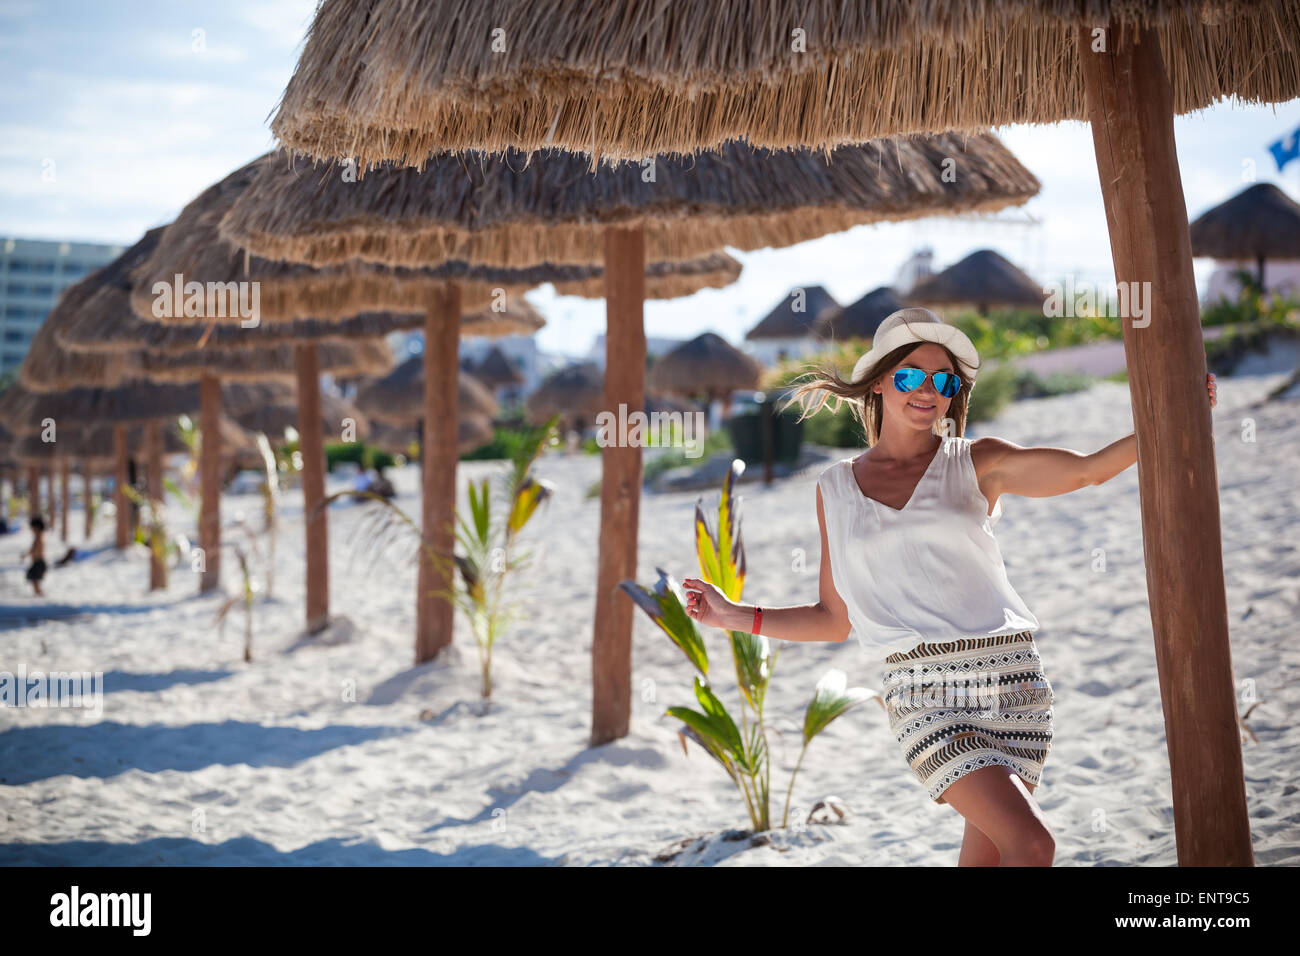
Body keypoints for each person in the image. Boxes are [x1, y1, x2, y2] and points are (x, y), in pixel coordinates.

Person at [682, 308, 1217, 867]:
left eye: (944, 381)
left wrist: (1175, 418)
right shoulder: (835, 488)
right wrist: (736, 615)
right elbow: (834, 618)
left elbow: (1086, 470)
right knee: (1032, 844)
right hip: (923, 697)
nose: (928, 391)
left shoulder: (977, 463)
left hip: (1012, 685)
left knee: (991, 858)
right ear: (881, 381)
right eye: (912, 375)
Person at [24, 514, 47, 596]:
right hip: (37, 562)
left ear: (36, 527)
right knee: (34, 580)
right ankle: (38, 595)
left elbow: (34, 549)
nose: (32, 530)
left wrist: (27, 554)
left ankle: (39, 595)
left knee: (35, 580)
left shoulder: (39, 537)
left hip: (39, 562)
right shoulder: (38, 536)